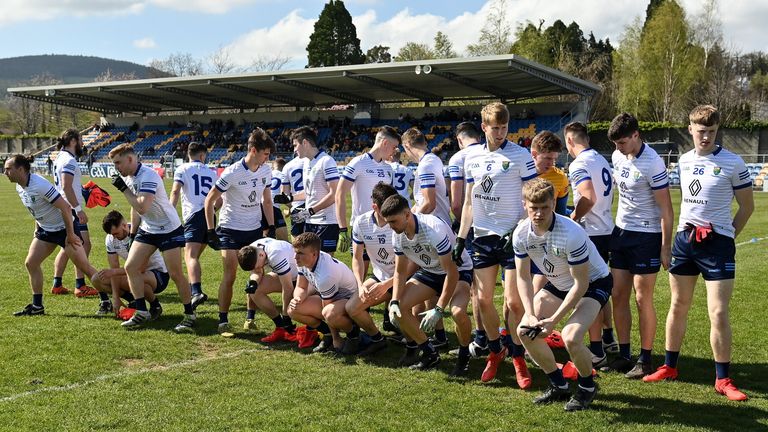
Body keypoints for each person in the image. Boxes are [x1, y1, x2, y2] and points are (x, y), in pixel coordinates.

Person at [643, 105, 754, 401]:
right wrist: (669, 244)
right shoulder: (684, 160)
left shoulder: (733, 162)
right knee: (678, 305)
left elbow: (747, 207)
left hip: (717, 246)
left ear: (718, 131)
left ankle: (722, 378)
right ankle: (669, 366)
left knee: (717, 311)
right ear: (690, 129)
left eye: (711, 132)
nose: (705, 137)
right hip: (685, 241)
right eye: (700, 131)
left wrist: (727, 235)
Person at [454, 102, 538, 387]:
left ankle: (517, 356)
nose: (500, 133)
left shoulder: (521, 156)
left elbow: (533, 198)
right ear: (484, 127)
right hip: (483, 238)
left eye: (504, 128)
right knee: (483, 300)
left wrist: (519, 228)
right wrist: (461, 237)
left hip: (513, 238)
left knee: (514, 302)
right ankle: (494, 350)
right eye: (495, 128)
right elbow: (468, 202)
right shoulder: (471, 157)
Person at [513, 178, 613, 411]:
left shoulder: (571, 232)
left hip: (593, 283)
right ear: (525, 205)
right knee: (524, 331)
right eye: (533, 208)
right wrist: (529, 314)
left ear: (554, 204)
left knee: (570, 336)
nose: (538, 214)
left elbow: (580, 284)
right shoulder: (520, 233)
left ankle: (587, 387)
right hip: (560, 283)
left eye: (544, 208)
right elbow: (523, 277)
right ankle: (559, 385)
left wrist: (553, 321)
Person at [605, 113, 674, 378]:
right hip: (621, 232)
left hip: (646, 236)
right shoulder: (617, 156)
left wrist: (665, 247)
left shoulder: (653, 163)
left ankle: (645, 359)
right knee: (618, 295)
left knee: (642, 297)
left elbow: (666, 209)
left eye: (622, 142)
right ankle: (624, 354)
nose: (618, 148)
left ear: (636, 135)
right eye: (615, 143)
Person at [382, 194, 474, 375]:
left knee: (457, 312)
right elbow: (400, 272)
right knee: (400, 308)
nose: (391, 227)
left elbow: (452, 272)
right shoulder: (398, 235)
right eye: (388, 222)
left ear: (408, 214)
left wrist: (439, 309)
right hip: (430, 271)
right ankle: (429, 352)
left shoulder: (433, 229)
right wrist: (393, 301)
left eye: (393, 221)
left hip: (459, 271)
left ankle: (464, 354)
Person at [108, 143, 195, 333]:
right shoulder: (131, 177)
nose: (117, 168)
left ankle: (189, 314)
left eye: (118, 163)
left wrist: (124, 190)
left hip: (168, 229)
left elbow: (142, 207)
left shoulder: (148, 176)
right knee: (131, 267)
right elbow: (135, 209)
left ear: (130, 159)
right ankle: (141, 311)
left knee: (175, 274)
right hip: (149, 229)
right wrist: (132, 234)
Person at [5, 154, 100, 316]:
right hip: (46, 230)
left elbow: (65, 208)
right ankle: (37, 306)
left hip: (64, 229)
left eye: (8, 169)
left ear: (20, 169)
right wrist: (37, 228)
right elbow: (37, 209)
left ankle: (107, 299)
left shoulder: (39, 184)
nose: (5, 172)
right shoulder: (19, 186)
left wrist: (70, 234)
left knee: (84, 267)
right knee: (31, 263)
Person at [204, 128, 275, 336]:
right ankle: (223, 321)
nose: (267, 158)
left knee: (257, 273)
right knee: (230, 274)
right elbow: (210, 200)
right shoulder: (233, 171)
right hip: (230, 229)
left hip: (253, 229)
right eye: (265, 154)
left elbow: (267, 200)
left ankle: (249, 318)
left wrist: (269, 227)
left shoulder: (266, 171)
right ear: (253, 150)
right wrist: (210, 230)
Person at [564, 121, 618, 366]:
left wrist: (574, 217)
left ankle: (596, 350)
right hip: (607, 228)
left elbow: (588, 196)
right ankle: (608, 337)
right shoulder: (599, 158)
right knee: (602, 291)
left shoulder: (579, 164)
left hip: (593, 233)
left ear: (570, 141)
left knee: (589, 293)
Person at [344, 182, 402, 356]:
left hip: (406, 278)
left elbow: (412, 265)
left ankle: (419, 344)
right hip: (380, 277)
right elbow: (357, 258)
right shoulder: (361, 223)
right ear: (375, 207)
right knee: (352, 307)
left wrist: (387, 285)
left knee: (407, 318)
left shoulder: (401, 222)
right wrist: (361, 285)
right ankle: (377, 339)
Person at [446, 121, 487, 356]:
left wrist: (463, 227)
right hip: (498, 226)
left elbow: (457, 202)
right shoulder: (487, 151)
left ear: (460, 140)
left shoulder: (459, 158)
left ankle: (482, 338)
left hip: (473, 228)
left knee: (477, 286)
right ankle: (510, 338)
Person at [49, 129, 99, 298]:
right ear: (72, 141)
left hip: (64, 207)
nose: (83, 143)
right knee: (81, 244)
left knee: (68, 246)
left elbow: (66, 186)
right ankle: (80, 285)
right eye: (80, 139)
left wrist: (83, 191)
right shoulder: (69, 160)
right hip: (70, 209)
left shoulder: (60, 158)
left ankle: (57, 283)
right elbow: (66, 186)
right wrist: (78, 209)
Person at [287, 232, 357, 352]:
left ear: (314, 254)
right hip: (332, 298)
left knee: (329, 313)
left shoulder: (326, 274)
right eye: (295, 252)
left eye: (300, 253)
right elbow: (301, 287)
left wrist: (337, 339)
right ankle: (328, 334)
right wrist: (297, 298)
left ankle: (354, 334)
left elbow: (327, 306)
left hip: (352, 302)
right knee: (293, 309)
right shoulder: (304, 260)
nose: (295, 257)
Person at [95, 210, 170, 319]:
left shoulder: (140, 233)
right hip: (135, 272)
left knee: (132, 278)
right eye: (112, 234)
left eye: (116, 233)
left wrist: (113, 272)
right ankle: (133, 300)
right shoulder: (110, 238)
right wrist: (116, 297)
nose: (114, 237)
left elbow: (141, 268)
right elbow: (114, 268)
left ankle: (155, 305)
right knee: (96, 279)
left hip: (158, 275)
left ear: (124, 225)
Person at [335, 125, 396, 257]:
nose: (395, 151)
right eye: (394, 147)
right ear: (385, 143)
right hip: (361, 227)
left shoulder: (388, 169)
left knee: (387, 267)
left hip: (384, 227)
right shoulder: (358, 163)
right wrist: (343, 229)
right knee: (360, 269)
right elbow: (340, 194)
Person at [169, 142, 217, 311]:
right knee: (194, 256)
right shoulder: (212, 173)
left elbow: (175, 191)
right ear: (202, 155)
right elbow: (219, 200)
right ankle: (193, 288)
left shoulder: (183, 169)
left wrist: (169, 212)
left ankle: (196, 291)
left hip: (194, 216)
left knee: (190, 256)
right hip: (210, 216)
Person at [237, 237, 299, 342]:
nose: (257, 268)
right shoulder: (253, 249)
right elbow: (257, 272)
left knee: (302, 304)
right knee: (255, 291)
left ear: (261, 255)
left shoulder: (276, 254)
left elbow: (287, 288)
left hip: (305, 279)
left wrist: (286, 316)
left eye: (257, 266)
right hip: (288, 276)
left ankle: (321, 330)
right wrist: (253, 282)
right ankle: (280, 327)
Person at [290, 126, 340, 255]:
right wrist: (290, 198)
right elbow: (309, 193)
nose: (294, 150)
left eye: (296, 145)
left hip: (326, 222)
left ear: (305, 143)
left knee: (325, 264)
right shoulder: (307, 163)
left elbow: (335, 194)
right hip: (310, 221)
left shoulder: (327, 161)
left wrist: (311, 211)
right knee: (309, 264)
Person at [401, 128, 451, 224]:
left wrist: (409, 222)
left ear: (407, 146)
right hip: (440, 220)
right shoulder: (434, 159)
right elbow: (422, 201)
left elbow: (429, 204)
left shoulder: (426, 165)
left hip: (434, 224)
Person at [279, 152, 306, 238]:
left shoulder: (288, 166)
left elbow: (284, 194)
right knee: (315, 242)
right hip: (314, 206)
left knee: (297, 242)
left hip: (297, 207)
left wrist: (291, 207)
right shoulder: (314, 161)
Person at [264, 158, 289, 241]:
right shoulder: (283, 176)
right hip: (273, 208)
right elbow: (285, 196)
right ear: (284, 167)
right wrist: (290, 208)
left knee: (265, 240)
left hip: (261, 207)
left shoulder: (267, 174)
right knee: (284, 241)